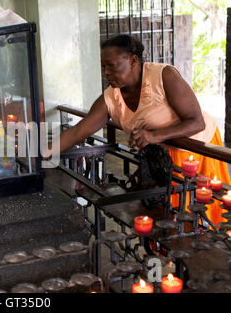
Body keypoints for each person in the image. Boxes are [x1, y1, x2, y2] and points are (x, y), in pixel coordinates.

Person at [46, 34, 230, 226]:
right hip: (158, 158)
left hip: (196, 151)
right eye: (104, 67)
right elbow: (78, 132)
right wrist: (43, 153)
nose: (106, 73)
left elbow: (196, 122)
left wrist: (154, 135)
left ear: (133, 60)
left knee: (202, 214)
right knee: (164, 217)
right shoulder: (111, 96)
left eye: (112, 66)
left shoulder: (163, 76)